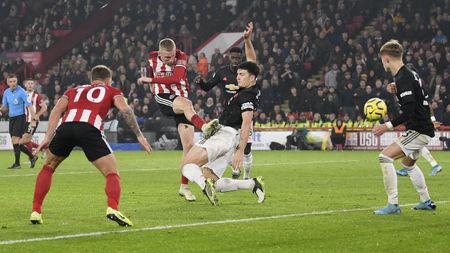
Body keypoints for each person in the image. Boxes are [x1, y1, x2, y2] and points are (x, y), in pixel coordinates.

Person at [30, 65, 152, 226]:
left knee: (48, 166)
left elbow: (56, 109)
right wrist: (139, 135)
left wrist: (47, 136)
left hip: (66, 127)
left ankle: (36, 211)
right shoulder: (112, 90)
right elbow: (126, 110)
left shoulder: (74, 90)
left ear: (91, 79)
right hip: (89, 128)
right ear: (108, 80)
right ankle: (112, 208)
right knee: (111, 172)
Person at [138, 38, 220, 202]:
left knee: (188, 148)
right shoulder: (152, 57)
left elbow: (175, 79)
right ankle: (204, 127)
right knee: (187, 104)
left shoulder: (181, 57)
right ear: (160, 53)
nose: (171, 59)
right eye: (167, 57)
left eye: (172, 56)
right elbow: (151, 70)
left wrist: (151, 80)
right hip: (164, 98)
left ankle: (184, 186)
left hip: (181, 101)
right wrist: (152, 82)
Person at [181, 61, 264, 206]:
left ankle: (203, 185)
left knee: (187, 165)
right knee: (212, 180)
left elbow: (246, 123)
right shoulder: (250, 91)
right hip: (228, 138)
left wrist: (239, 152)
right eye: (237, 74)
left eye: (242, 74)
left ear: (252, 78)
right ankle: (252, 184)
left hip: (224, 136)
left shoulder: (247, 96)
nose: (237, 77)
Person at [372, 40, 436, 215]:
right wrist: (397, 89)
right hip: (424, 127)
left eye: (382, 60)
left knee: (384, 157)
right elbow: (422, 97)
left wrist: (386, 126)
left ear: (386, 59)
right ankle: (426, 200)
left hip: (418, 129)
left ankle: (393, 204)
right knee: (408, 165)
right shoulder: (409, 75)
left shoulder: (403, 78)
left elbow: (408, 111)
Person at [194, 22, 256, 180]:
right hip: (228, 115)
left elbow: (253, 60)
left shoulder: (246, 73)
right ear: (228, 57)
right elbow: (207, 87)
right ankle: (232, 169)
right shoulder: (222, 73)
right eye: (233, 57)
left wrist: (247, 40)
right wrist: (201, 82)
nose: (235, 60)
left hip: (244, 113)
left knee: (246, 147)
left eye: (238, 58)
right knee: (227, 146)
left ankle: (247, 175)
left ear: (241, 58)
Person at [0, 74, 38, 169]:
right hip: (11, 119)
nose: (13, 83)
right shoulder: (6, 92)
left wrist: (33, 119)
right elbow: (4, 106)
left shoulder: (21, 92)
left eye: (14, 81)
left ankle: (17, 164)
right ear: (8, 82)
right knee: (15, 143)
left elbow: (29, 105)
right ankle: (32, 156)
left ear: (17, 81)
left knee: (15, 140)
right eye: (11, 81)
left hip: (20, 118)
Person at [21, 79, 48, 161]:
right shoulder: (22, 94)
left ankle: (31, 157)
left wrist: (37, 115)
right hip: (23, 120)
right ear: (25, 84)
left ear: (34, 85)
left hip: (32, 121)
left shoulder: (37, 96)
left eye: (32, 83)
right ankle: (43, 148)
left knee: (25, 140)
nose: (30, 85)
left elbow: (44, 107)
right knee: (25, 140)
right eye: (28, 83)